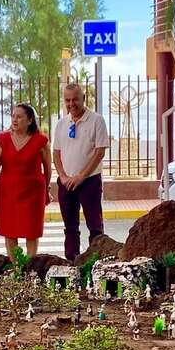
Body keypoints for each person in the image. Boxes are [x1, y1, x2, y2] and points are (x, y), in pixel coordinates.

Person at [53, 84, 110, 262]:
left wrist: (81, 176)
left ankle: (96, 262)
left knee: (95, 226)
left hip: (89, 182)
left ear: (83, 99)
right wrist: (63, 176)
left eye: (75, 99)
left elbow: (100, 152)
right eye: (67, 100)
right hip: (66, 183)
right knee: (70, 227)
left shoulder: (96, 121)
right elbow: (56, 153)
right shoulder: (62, 124)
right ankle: (72, 261)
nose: (71, 104)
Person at [0, 104, 51, 259]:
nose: (15, 120)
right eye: (13, 116)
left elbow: (47, 169)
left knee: (31, 231)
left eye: (19, 117)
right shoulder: (2, 139)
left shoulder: (41, 141)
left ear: (30, 120)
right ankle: (16, 267)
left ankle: (29, 265)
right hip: (8, 193)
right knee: (9, 230)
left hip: (33, 194)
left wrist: (46, 190)